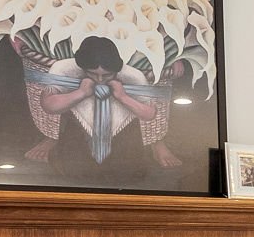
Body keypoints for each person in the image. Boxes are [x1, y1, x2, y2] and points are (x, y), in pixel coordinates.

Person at [26, 36, 181, 175]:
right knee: (72, 169)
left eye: (106, 75)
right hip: (76, 126)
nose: (100, 80)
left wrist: (123, 97)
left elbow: (149, 114)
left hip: (123, 129)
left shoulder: (133, 75)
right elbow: (47, 105)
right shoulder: (64, 68)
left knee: (129, 171)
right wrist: (80, 93)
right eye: (93, 74)